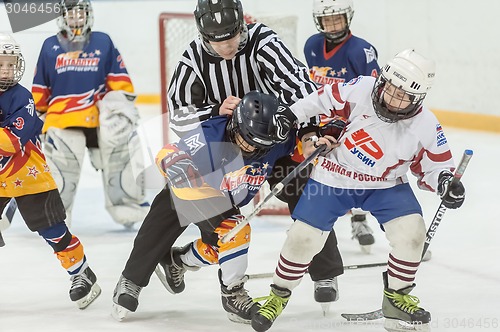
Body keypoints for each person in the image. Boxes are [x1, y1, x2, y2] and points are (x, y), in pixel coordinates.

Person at [250, 49, 466, 332]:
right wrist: (290, 116)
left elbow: (437, 166)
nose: (393, 100)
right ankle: (277, 295)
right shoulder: (361, 88)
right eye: (390, 89)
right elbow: (320, 99)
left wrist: (446, 182)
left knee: (412, 234)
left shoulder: (425, 124)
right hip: (334, 177)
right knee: (303, 239)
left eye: (404, 97)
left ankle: (396, 299)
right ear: (382, 81)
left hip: (384, 185)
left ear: (418, 99)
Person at [167, 0, 344, 312]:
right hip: (232, 145)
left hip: (278, 138)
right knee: (221, 215)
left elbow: (301, 89)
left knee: (306, 194)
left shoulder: (265, 42)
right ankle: (185, 260)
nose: (226, 45)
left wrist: (308, 132)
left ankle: (324, 273)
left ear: (241, 25)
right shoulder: (193, 57)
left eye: (231, 36)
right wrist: (212, 113)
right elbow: (178, 113)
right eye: (217, 39)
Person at [112, 91, 302, 323]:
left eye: (258, 145)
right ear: (235, 125)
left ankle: (179, 261)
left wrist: (319, 136)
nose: (250, 149)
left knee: (228, 241)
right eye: (246, 139)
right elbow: (170, 151)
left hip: (224, 203)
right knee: (154, 235)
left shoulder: (276, 140)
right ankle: (131, 280)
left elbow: (304, 140)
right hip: (190, 191)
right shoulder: (213, 132)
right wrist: (176, 163)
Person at [0, 33, 101, 309]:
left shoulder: (22, 97)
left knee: (54, 231)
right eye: (1, 64)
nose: (7, 70)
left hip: (27, 176)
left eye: (11, 64)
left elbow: (10, 143)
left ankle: (81, 273)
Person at [31, 0, 149, 229]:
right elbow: (41, 89)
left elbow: (120, 83)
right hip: (63, 119)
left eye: (80, 14)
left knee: (123, 148)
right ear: (63, 17)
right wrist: (38, 118)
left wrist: (119, 109)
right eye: (71, 15)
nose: (77, 19)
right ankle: (56, 216)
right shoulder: (49, 46)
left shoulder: (103, 41)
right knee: (62, 171)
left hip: (100, 120)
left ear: (88, 16)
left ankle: (128, 205)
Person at [305, 0, 380, 252]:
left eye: (338, 18)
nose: (334, 24)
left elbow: (373, 93)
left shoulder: (361, 50)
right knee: (312, 172)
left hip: (351, 123)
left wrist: (352, 124)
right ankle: (309, 226)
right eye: (328, 19)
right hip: (320, 123)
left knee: (356, 172)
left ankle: (360, 220)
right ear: (319, 21)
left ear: (348, 17)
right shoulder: (312, 45)